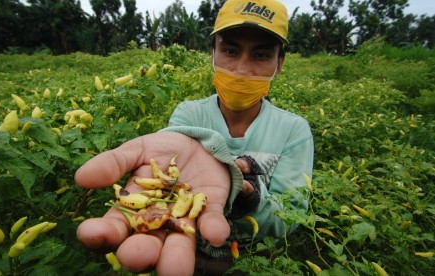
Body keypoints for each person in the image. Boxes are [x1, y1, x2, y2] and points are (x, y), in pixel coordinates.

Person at [75, 0, 314, 275]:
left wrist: (247, 195)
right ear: (212, 53)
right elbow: (172, 169)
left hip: (257, 256)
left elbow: (291, 214)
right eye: (230, 51)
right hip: (194, 246)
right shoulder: (189, 113)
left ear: (279, 64)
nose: (242, 69)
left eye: (261, 55)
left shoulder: (293, 129)